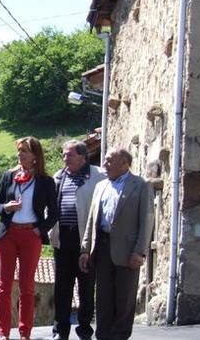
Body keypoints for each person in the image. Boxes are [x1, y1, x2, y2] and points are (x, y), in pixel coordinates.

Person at [79, 148, 153, 340]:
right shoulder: (100, 186)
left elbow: (147, 221)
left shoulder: (141, 185)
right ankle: (102, 336)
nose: (105, 164)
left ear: (124, 163)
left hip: (128, 251)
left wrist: (140, 251)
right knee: (103, 298)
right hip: (102, 247)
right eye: (105, 160)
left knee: (124, 299)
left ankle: (119, 336)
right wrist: (85, 249)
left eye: (110, 160)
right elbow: (91, 221)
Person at [0, 136, 59, 340]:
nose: (20, 154)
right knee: (4, 286)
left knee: (27, 286)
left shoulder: (46, 181)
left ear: (35, 156)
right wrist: (6, 207)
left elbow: (54, 213)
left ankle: (24, 333)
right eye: (19, 150)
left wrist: (40, 230)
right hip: (7, 235)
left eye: (24, 151)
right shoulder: (8, 176)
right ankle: (3, 333)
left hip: (31, 235)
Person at [49, 140, 106, 340]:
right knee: (62, 288)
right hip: (63, 239)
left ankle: (84, 330)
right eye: (64, 155)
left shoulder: (99, 176)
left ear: (83, 157)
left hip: (86, 240)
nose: (65, 158)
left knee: (86, 287)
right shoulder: (58, 176)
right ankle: (60, 331)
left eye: (70, 155)